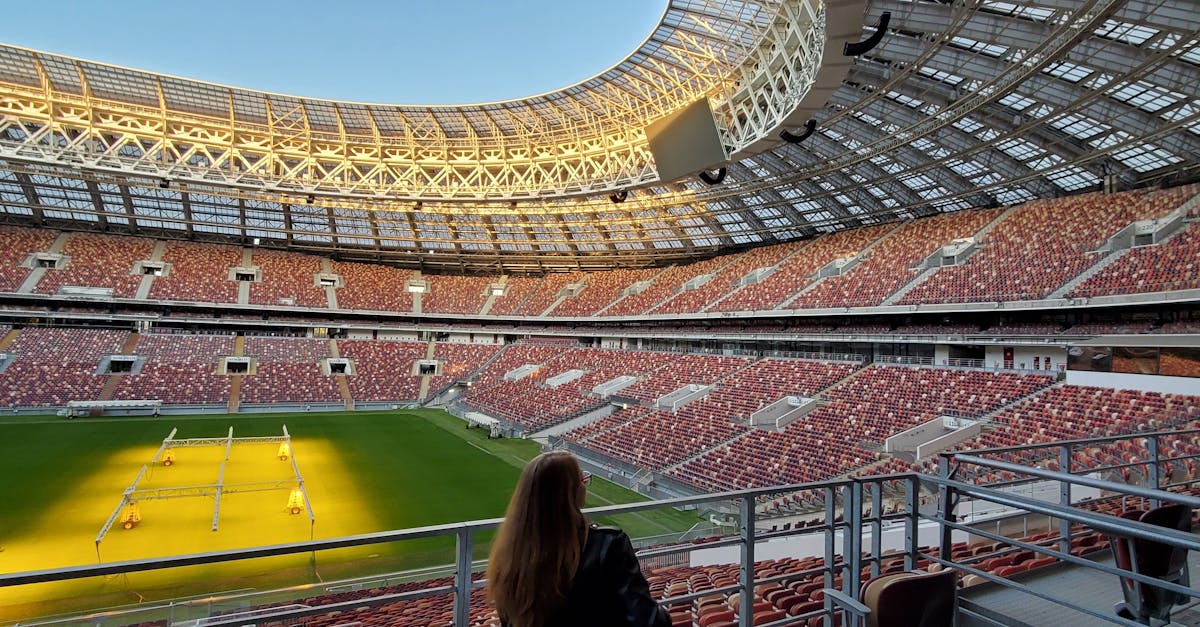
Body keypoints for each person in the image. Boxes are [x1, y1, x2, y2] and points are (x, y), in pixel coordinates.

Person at [487, 451, 670, 627]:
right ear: (570, 492)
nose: (585, 485)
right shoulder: (609, 545)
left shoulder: (509, 554)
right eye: (582, 480)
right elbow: (648, 620)